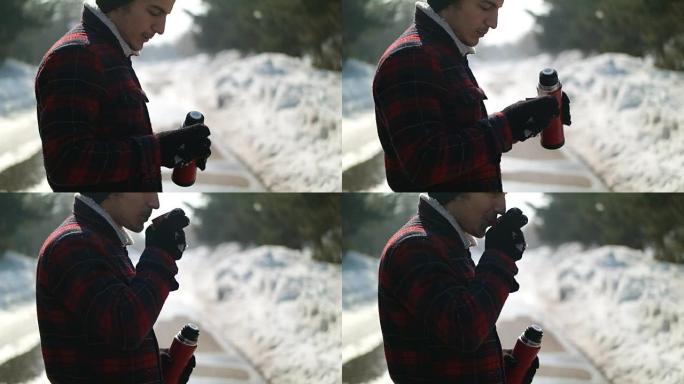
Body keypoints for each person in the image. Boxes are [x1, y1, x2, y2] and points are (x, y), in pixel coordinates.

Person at [373, 0, 572, 191]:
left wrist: (529, 115)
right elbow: (426, 163)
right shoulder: (412, 57)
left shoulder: (442, 50)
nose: (493, 23)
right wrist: (508, 125)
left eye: (498, 9)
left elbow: (461, 128)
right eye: (486, 6)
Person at [35, 0, 211, 191]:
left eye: (165, 16)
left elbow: (115, 136)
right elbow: (66, 165)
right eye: (154, 12)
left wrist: (174, 145)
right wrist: (158, 150)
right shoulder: (77, 55)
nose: (161, 29)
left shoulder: (108, 51)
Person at [378, 193, 538, 383]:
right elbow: (465, 329)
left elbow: (444, 348)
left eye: (503, 195)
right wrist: (499, 257)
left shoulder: (446, 243)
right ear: (460, 188)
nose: (502, 207)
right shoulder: (415, 246)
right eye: (493, 194)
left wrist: (499, 369)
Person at [36, 193, 195, 383]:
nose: (155, 203)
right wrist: (160, 255)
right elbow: (125, 326)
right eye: (146, 190)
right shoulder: (75, 243)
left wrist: (157, 369)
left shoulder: (101, 241)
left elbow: (103, 344)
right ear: (112, 188)